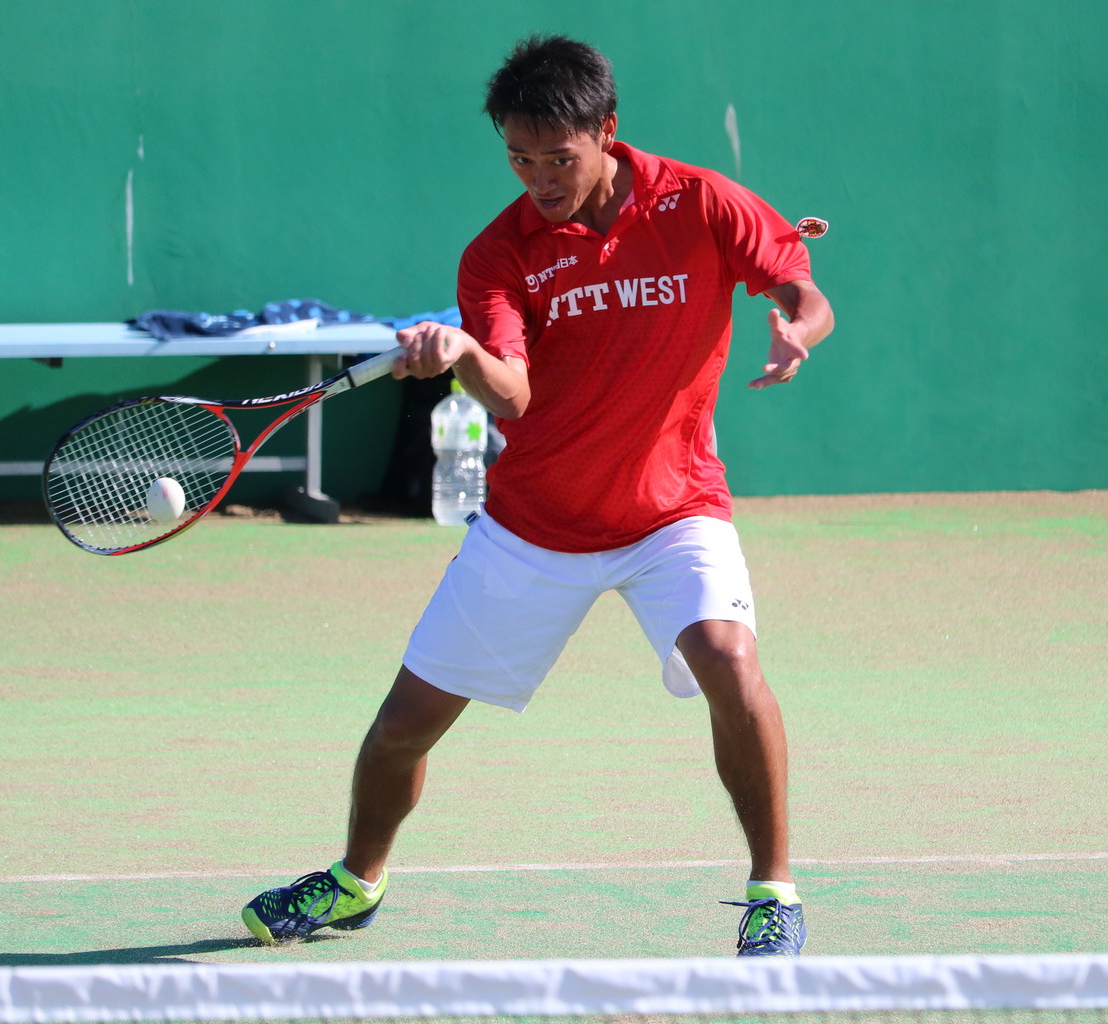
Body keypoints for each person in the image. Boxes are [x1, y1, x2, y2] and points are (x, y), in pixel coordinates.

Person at [242, 34, 834, 957]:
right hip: (535, 526)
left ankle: (775, 891)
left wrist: (799, 328)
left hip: (673, 507)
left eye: (558, 158)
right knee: (401, 731)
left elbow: (804, 291)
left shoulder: (702, 201)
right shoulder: (498, 254)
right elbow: (514, 391)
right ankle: (356, 882)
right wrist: (466, 356)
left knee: (729, 659)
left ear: (606, 131)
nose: (540, 178)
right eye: (519, 159)